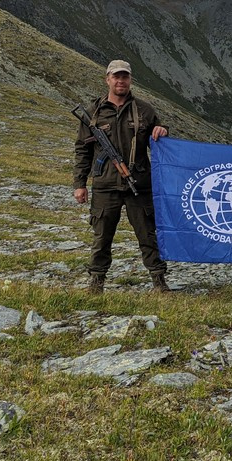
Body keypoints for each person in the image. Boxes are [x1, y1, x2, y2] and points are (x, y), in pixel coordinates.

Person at [73, 60, 170, 294]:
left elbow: (160, 139)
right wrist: (80, 184)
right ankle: (96, 282)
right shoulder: (94, 112)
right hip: (105, 186)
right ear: (107, 79)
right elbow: (82, 150)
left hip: (139, 184)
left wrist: (163, 130)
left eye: (124, 76)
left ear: (130, 80)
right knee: (102, 237)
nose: (120, 81)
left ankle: (159, 281)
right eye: (116, 76)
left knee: (147, 235)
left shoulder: (144, 110)